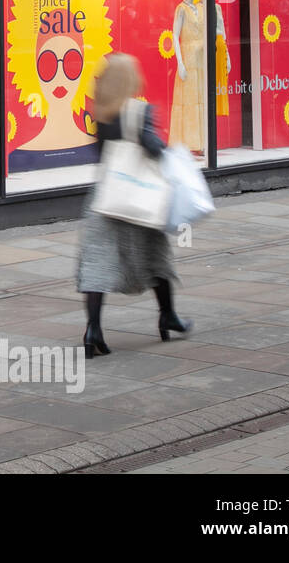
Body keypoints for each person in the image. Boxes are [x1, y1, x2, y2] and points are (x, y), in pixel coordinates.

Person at [76, 54, 192, 358]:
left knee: (97, 268)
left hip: (104, 200)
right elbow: (154, 149)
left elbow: (104, 154)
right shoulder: (140, 112)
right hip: (138, 201)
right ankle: (168, 316)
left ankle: (93, 331)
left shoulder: (99, 115)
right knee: (156, 259)